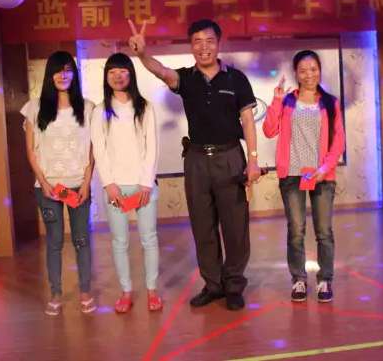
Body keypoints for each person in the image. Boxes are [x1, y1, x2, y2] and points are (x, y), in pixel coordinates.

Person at [128, 18, 261, 311]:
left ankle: (234, 285)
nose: (204, 47)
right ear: (191, 46)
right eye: (197, 42)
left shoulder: (236, 79)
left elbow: (248, 121)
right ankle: (213, 285)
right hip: (197, 160)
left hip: (230, 157)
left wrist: (253, 160)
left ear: (218, 43)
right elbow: (161, 71)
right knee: (203, 226)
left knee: (235, 226)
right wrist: (142, 54)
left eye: (209, 41)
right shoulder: (186, 78)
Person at [262, 50, 345, 303]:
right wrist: (276, 101)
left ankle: (324, 280)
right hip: (292, 174)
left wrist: (324, 169)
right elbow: (269, 130)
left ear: (319, 70)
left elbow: (338, 141)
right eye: (303, 70)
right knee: (296, 230)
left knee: (324, 231)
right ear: (296, 74)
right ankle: (298, 279)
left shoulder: (330, 103)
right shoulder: (287, 101)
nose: (309, 74)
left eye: (313, 69)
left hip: (321, 175)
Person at [21, 51, 96, 315]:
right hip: (49, 188)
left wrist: (86, 183)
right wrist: (44, 183)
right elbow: (31, 151)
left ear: (74, 74)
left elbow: (92, 149)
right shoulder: (34, 108)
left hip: (78, 187)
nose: (63, 75)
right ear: (49, 75)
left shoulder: (88, 108)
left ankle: (85, 291)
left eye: (67, 69)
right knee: (54, 242)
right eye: (57, 70)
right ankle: (55, 293)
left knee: (81, 240)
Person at [91, 53, 161, 313]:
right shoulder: (100, 110)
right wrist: (109, 184)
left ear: (131, 74)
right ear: (106, 77)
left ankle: (152, 290)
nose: (118, 76)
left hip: (144, 186)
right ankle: (126, 291)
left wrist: (146, 184)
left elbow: (152, 147)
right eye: (112, 72)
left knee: (149, 239)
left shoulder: (145, 107)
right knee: (119, 241)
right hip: (116, 188)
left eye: (122, 71)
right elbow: (99, 149)